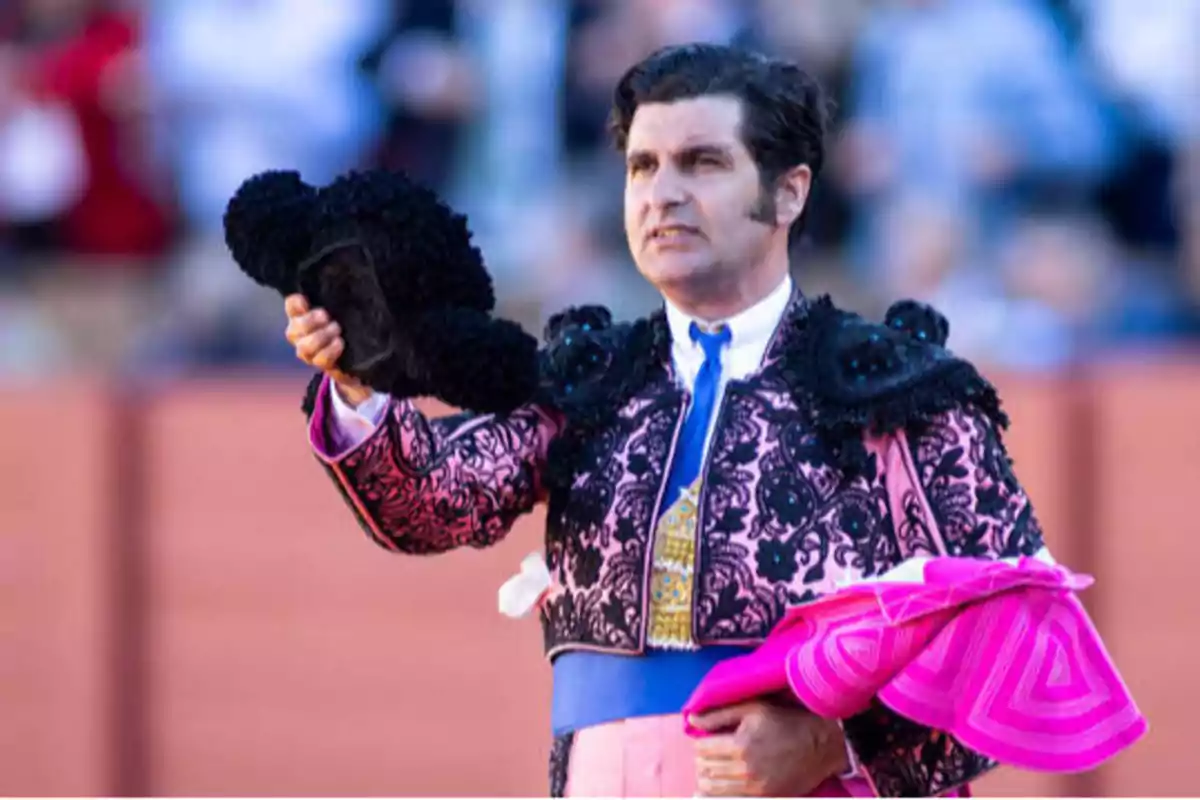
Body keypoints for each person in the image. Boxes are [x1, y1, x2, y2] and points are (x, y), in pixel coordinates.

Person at [284, 44, 1052, 797]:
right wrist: (358, 386)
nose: (662, 193)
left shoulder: (898, 387)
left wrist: (834, 743)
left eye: (703, 163)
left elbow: (1008, 633)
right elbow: (429, 502)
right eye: (643, 167)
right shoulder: (585, 382)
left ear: (789, 192)